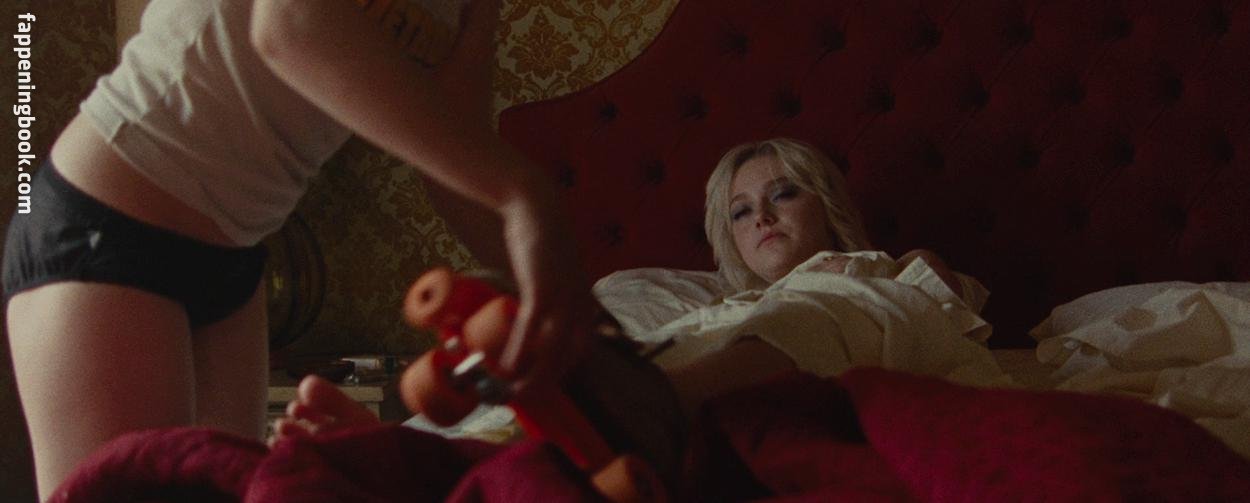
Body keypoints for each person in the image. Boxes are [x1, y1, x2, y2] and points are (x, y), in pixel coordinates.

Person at [2, 0, 591, 498]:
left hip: (235, 256)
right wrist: (524, 193)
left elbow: (462, 163)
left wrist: (568, 303)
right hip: (110, 225)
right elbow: (287, 27)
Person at [276, 137, 974, 436]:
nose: (760, 216)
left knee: (820, 310)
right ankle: (416, 440)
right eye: (739, 211)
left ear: (829, 207)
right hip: (701, 346)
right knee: (605, 348)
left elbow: (943, 311)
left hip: (830, 321)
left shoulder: (877, 271)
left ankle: (649, 403)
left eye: (783, 194)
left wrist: (909, 267)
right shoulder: (705, 301)